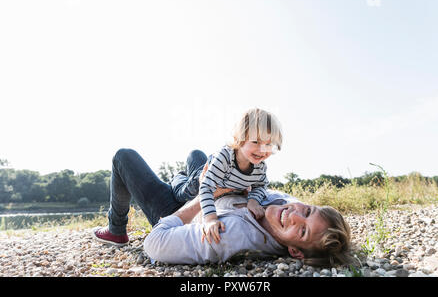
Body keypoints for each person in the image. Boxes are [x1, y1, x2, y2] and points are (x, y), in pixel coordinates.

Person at [92, 148, 355, 267]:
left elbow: (155, 243)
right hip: (213, 195)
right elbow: (264, 184)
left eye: (302, 232)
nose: (294, 215)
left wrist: (206, 192)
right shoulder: (286, 206)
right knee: (199, 156)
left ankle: (117, 229)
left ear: (295, 251)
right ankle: (181, 182)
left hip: (181, 213)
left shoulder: (232, 234)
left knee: (123, 157)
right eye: (307, 211)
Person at [198, 108, 282, 245]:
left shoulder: (260, 167)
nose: (262, 150)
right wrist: (210, 219)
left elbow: (260, 186)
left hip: (226, 187)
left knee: (196, 156)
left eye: (268, 144)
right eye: (255, 142)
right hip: (203, 176)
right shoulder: (225, 157)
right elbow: (206, 186)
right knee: (183, 192)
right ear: (239, 138)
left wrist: (253, 201)